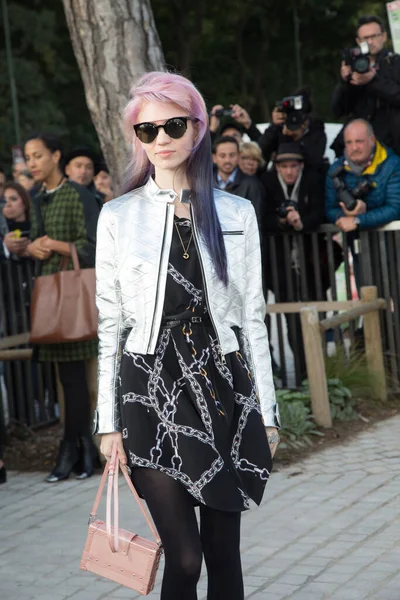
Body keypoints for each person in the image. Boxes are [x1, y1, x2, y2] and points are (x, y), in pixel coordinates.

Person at [95, 71, 280, 600]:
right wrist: (107, 423)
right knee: (185, 555)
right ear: (137, 138)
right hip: (147, 389)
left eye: (173, 124)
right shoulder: (117, 217)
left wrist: (267, 412)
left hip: (221, 384)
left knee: (223, 553)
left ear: (197, 128)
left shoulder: (236, 212)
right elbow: (111, 326)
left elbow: (252, 319)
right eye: (147, 130)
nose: (161, 139)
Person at [24, 132, 100, 483]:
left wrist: (54, 244)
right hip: (51, 296)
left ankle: (74, 449)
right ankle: (79, 450)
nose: (32, 163)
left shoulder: (80, 195)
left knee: (75, 381)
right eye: (29, 158)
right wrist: (31, 248)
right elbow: (35, 239)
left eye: (38, 155)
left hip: (75, 295)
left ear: (56, 156)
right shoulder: (37, 197)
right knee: (69, 380)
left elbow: (94, 246)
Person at [261, 143, 326, 382]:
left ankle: (319, 374)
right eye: (284, 166)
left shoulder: (312, 181)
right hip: (279, 264)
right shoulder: (267, 182)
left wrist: (301, 223)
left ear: (301, 166)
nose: (289, 171)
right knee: (290, 318)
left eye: (294, 166)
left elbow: (320, 213)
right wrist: (282, 222)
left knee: (317, 313)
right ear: (277, 166)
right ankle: (300, 374)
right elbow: (262, 216)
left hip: (311, 263)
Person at [331, 15, 400, 157]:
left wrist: (373, 80)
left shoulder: (395, 63)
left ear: (384, 36)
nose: (370, 42)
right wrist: (345, 82)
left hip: (391, 145)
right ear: (358, 41)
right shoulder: (353, 64)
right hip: (358, 147)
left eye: (374, 36)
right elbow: (338, 110)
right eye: (365, 38)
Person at [326, 119, 400, 231]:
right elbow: (330, 209)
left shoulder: (393, 165)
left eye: (359, 141)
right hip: (351, 241)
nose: (354, 148)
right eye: (349, 143)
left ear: (372, 140)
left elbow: (395, 208)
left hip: (390, 242)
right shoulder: (335, 170)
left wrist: (358, 220)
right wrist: (346, 216)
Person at [212, 135, 265, 224]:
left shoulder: (252, 184)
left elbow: (256, 222)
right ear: (214, 158)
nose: (227, 160)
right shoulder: (205, 183)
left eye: (232, 155)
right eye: (222, 156)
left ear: (239, 156)